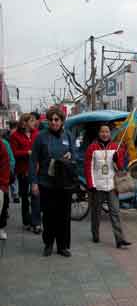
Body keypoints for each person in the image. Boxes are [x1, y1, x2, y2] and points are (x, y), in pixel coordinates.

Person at [30, 107, 74, 257]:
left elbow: (75, 157)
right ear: (48, 121)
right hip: (46, 182)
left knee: (64, 215)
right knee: (49, 215)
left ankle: (63, 246)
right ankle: (48, 244)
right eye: (51, 120)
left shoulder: (68, 135)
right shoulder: (41, 137)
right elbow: (33, 160)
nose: (54, 122)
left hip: (64, 183)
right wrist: (34, 182)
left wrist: (71, 155)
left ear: (62, 121)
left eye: (57, 119)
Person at [84, 124, 131, 249]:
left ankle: (120, 240)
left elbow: (120, 167)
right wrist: (91, 185)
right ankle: (95, 234)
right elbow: (88, 168)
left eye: (107, 132)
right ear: (98, 133)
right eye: (102, 131)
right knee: (96, 213)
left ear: (110, 133)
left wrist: (117, 159)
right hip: (97, 186)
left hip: (112, 186)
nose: (105, 134)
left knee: (115, 213)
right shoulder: (92, 148)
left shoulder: (115, 147)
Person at [10, 113, 41, 234]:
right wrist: (26, 152)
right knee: (25, 198)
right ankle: (26, 221)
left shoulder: (36, 134)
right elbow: (14, 153)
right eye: (32, 121)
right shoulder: (15, 136)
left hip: (36, 170)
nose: (34, 123)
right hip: (23, 170)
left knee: (36, 196)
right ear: (24, 123)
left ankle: (36, 222)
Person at [0, 139, 11, 240]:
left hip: (0, 184)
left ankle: (1, 228)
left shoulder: (2, 144)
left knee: (3, 207)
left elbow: (6, 163)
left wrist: (3, 185)